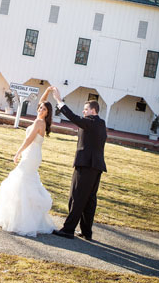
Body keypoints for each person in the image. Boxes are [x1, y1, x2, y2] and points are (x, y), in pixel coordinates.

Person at [0, 88, 57, 236]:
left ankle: (20, 220)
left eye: (43, 108)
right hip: (34, 154)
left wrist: (18, 152)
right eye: (39, 107)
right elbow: (42, 101)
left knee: (21, 182)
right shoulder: (42, 120)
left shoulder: (39, 122)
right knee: (26, 182)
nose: (40, 109)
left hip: (31, 155)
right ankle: (23, 216)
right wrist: (47, 90)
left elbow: (28, 139)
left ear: (47, 112)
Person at [49, 86, 107, 241]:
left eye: (86, 109)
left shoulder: (91, 122)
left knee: (76, 197)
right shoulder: (101, 123)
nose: (84, 112)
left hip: (86, 165)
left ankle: (68, 230)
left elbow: (74, 117)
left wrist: (59, 101)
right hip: (96, 167)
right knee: (89, 200)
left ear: (93, 111)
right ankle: (86, 232)